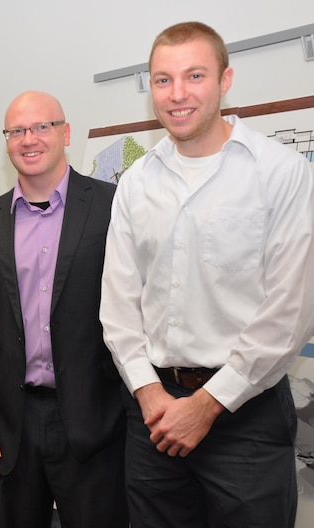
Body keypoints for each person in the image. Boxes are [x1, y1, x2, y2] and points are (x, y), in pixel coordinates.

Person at [100, 21, 314, 528]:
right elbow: (118, 303)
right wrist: (150, 394)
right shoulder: (136, 183)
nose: (177, 94)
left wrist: (208, 404)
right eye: (162, 80)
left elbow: (291, 309)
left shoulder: (279, 172)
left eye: (194, 76)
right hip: (152, 414)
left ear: (225, 79)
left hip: (246, 413)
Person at [0, 90, 128, 528]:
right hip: (11, 427)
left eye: (41, 127)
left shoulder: (112, 207)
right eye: (16, 130)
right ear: (7, 141)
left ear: (65, 132)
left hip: (95, 424)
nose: (28, 139)